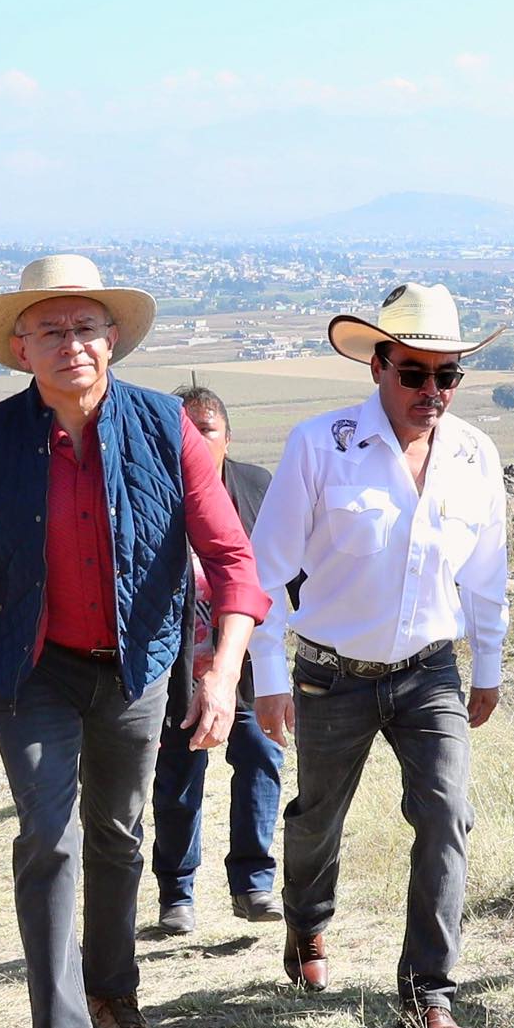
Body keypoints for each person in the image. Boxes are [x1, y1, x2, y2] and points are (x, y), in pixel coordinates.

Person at [0, 255, 269, 1028]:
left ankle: (116, 996)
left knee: (119, 831)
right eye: (50, 329)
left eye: (85, 326)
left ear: (112, 339)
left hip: (136, 663)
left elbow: (231, 559)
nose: (71, 344)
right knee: (50, 833)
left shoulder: (166, 429)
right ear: (20, 346)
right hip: (28, 666)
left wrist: (223, 671)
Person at [247, 283, 509, 1028]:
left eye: (447, 376)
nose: (433, 391)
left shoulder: (474, 456)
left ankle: (429, 992)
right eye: (416, 373)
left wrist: (487, 663)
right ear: (378, 366)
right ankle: (307, 921)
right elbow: (265, 574)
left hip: (429, 669)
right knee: (318, 818)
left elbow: (488, 573)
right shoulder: (318, 445)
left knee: (446, 811)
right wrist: (267, 674)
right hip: (331, 672)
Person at [151, 385, 285, 935]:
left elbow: (281, 572)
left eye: (206, 428)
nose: (196, 437)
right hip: (174, 665)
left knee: (260, 757)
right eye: (184, 427)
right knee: (178, 775)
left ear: (228, 437)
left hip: (245, 660)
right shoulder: (149, 492)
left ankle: (254, 882)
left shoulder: (256, 488)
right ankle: (176, 892)